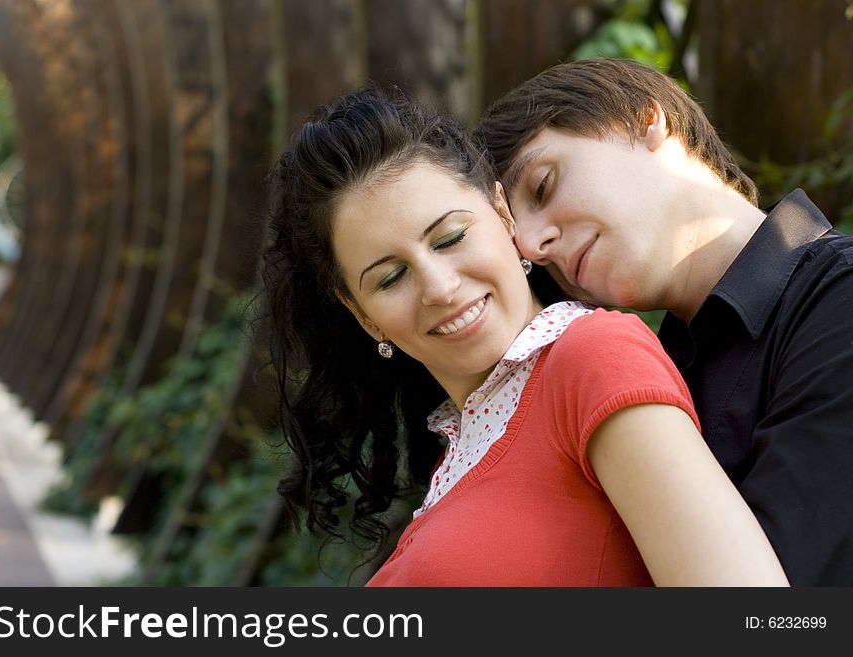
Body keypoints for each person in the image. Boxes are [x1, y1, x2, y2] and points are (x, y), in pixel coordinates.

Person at [260, 85, 788, 586]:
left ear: (503, 214)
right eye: (391, 277)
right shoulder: (458, 451)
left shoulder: (589, 357)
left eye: (450, 237)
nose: (440, 287)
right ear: (364, 315)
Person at [475, 57, 853, 585]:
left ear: (646, 121)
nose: (536, 246)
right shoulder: (642, 381)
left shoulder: (838, 303)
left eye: (542, 186)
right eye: (524, 247)